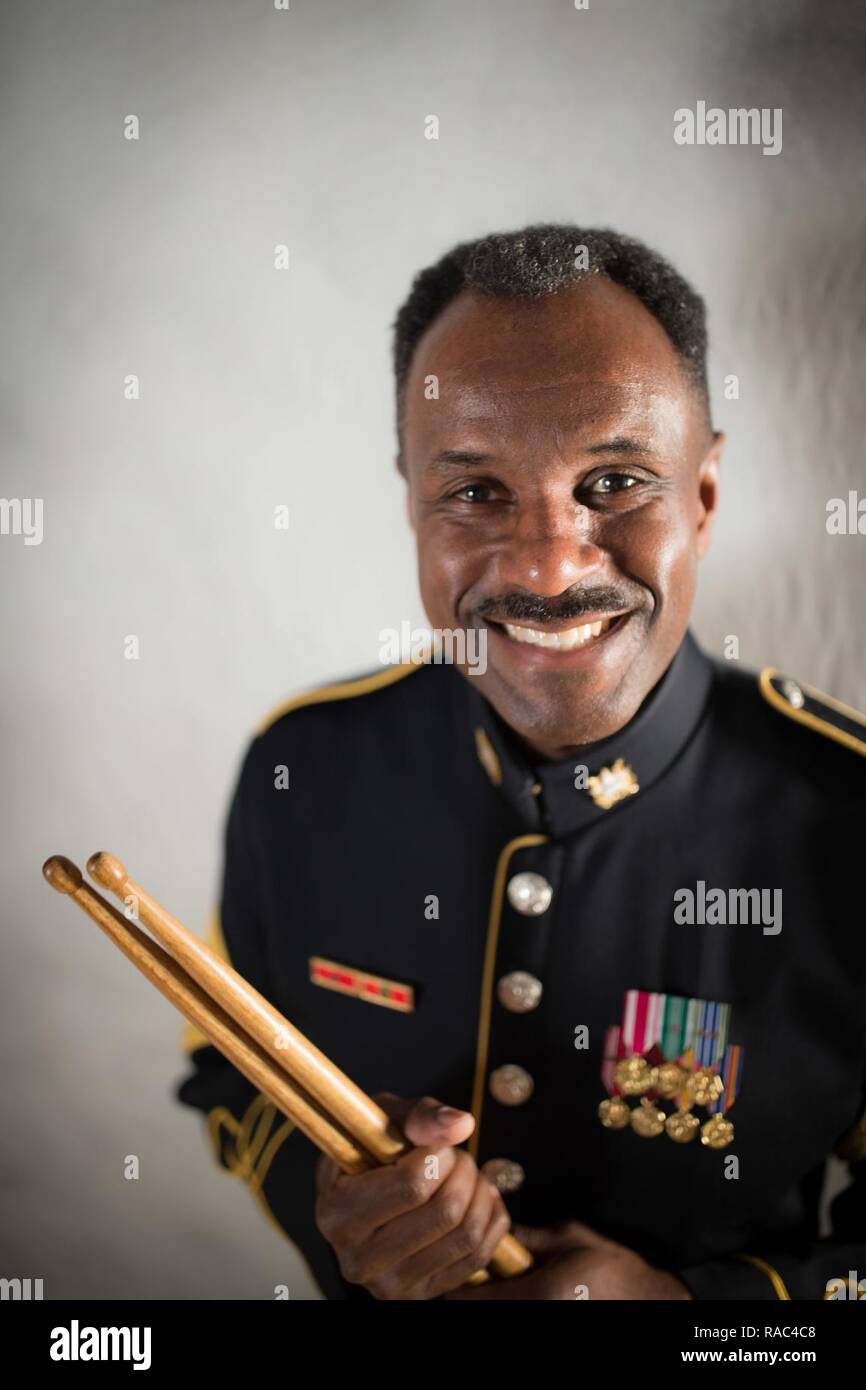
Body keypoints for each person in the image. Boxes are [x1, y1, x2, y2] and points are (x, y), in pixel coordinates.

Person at [177, 224, 866, 1301]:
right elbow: (231, 1072)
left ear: (703, 496)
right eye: (475, 492)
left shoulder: (845, 820)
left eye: (613, 481)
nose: (547, 565)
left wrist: (696, 1315)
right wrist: (339, 1211)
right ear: (411, 501)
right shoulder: (301, 771)